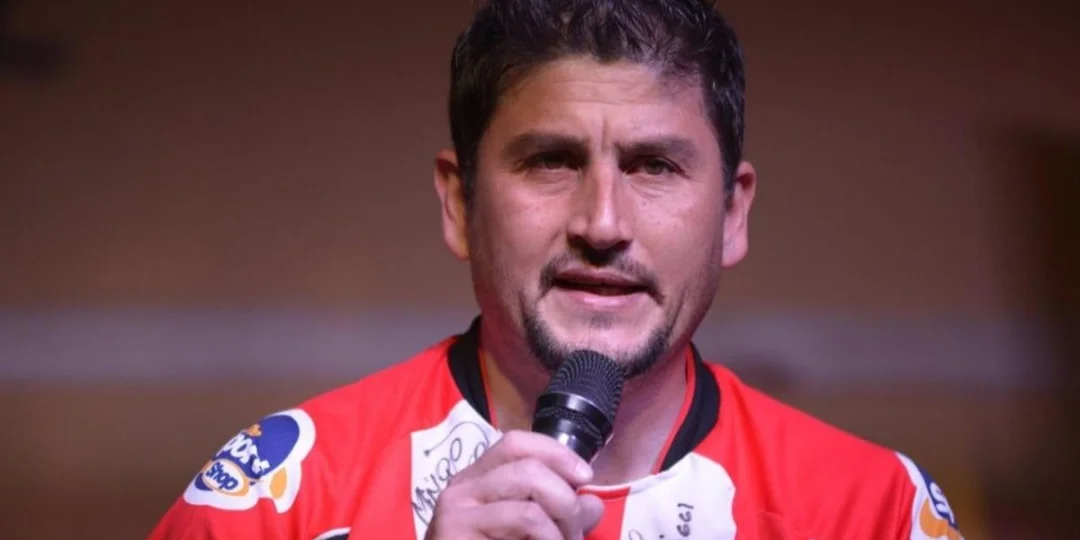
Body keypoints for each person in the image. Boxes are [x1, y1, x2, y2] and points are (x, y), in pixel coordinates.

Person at [149, 1, 966, 538]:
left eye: (654, 166)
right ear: (460, 203)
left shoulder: (873, 512)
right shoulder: (276, 504)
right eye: (550, 161)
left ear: (732, 214)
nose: (602, 224)